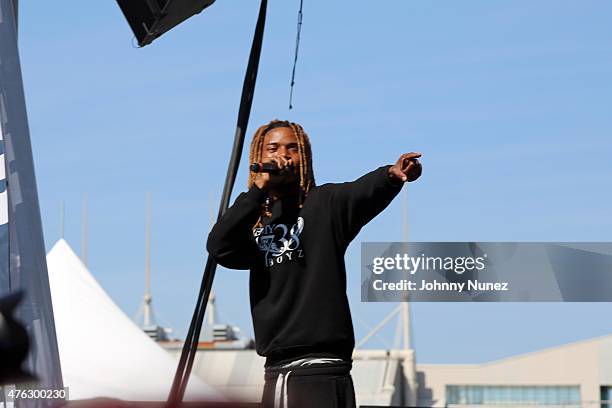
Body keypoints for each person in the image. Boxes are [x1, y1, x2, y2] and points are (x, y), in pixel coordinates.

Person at [207, 120, 422, 408]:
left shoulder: (326, 205)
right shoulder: (256, 223)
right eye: (273, 149)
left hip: (321, 371)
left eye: (291, 148)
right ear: (258, 159)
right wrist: (257, 193)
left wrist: (392, 175)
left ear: (304, 157)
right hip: (275, 371)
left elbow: (363, 191)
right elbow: (220, 247)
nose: (282, 155)